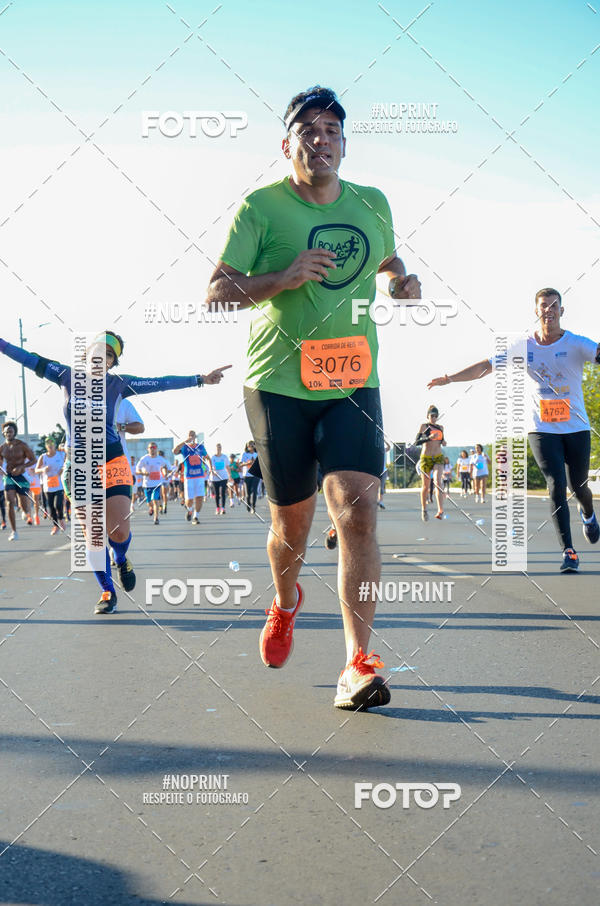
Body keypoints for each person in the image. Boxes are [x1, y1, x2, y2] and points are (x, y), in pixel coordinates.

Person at [207, 85, 420, 709]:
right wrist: (283, 277)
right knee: (292, 527)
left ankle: (358, 663)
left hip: (353, 377)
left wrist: (401, 282)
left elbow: (386, 259)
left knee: (355, 515)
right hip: (276, 382)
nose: (321, 138)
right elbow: (217, 292)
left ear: (344, 144)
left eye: (332, 129)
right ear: (288, 144)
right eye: (309, 130)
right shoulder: (261, 208)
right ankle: (284, 600)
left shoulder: (372, 204)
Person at [0, 331, 230, 611]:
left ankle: (120, 558)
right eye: (98, 352)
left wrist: (200, 380)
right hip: (79, 466)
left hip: (113, 462)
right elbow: (27, 357)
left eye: (108, 355)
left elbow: (162, 382)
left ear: (112, 362)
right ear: (87, 356)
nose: (101, 358)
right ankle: (107, 592)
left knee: (119, 533)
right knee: (93, 534)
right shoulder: (65, 375)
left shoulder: (119, 385)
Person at [428, 287, 600, 572]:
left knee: (578, 485)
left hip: (577, 428)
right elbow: (486, 366)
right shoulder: (525, 347)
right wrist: (450, 378)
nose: (549, 310)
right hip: (542, 429)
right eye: (543, 305)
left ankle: (588, 512)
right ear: (536, 311)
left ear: (561, 311)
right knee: (556, 485)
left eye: (554, 305)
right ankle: (568, 551)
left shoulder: (576, 344)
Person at [0, 422, 36, 540]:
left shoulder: (22, 445)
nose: (8, 433)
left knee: (24, 502)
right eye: (6, 431)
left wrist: (22, 467)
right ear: (3, 433)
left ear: (14, 432)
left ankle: (26, 512)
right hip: (9, 477)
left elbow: (33, 460)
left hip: (22, 476)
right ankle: (14, 531)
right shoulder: (2, 448)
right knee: (10, 502)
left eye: (10, 431)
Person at [415, 405, 446, 521]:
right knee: (426, 486)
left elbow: (441, 440)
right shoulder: (424, 426)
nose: (434, 418)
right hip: (426, 458)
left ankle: (440, 511)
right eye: (432, 416)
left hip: (438, 457)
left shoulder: (441, 428)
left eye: (436, 416)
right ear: (428, 416)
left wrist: (444, 442)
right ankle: (424, 509)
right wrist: (429, 438)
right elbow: (416, 442)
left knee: (438, 482)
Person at [173, 431, 209, 525]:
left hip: (200, 476)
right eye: (190, 435)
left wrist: (210, 467)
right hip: (189, 477)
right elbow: (174, 451)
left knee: (200, 497)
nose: (192, 437)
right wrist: (185, 441)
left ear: (195, 437)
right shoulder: (184, 447)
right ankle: (189, 509)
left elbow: (207, 457)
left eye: (193, 435)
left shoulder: (200, 447)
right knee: (189, 500)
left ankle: (196, 516)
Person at [35, 437, 66, 534]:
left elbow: (68, 461)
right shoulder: (43, 457)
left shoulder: (61, 454)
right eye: (48, 444)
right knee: (51, 507)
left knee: (58, 505)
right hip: (48, 486)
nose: (50, 445)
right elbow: (36, 470)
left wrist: (63, 469)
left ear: (55, 445)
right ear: (46, 446)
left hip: (59, 485)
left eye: (52, 443)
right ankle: (55, 526)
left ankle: (61, 520)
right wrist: (43, 470)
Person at [240, 441, 259, 514]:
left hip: (255, 475)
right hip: (247, 475)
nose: (251, 446)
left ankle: (253, 507)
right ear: (247, 447)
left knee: (254, 491)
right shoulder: (245, 454)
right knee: (247, 494)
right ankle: (248, 506)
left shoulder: (257, 454)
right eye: (249, 445)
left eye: (252, 445)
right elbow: (241, 464)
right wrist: (248, 463)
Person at [210, 444, 230, 515]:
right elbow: (211, 467)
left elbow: (227, 466)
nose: (219, 449)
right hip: (215, 478)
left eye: (220, 447)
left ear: (221, 448)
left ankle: (223, 508)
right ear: (215, 449)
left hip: (223, 477)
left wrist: (230, 476)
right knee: (217, 494)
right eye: (217, 448)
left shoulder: (224, 457)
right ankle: (217, 508)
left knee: (223, 492)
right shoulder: (213, 457)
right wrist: (213, 471)